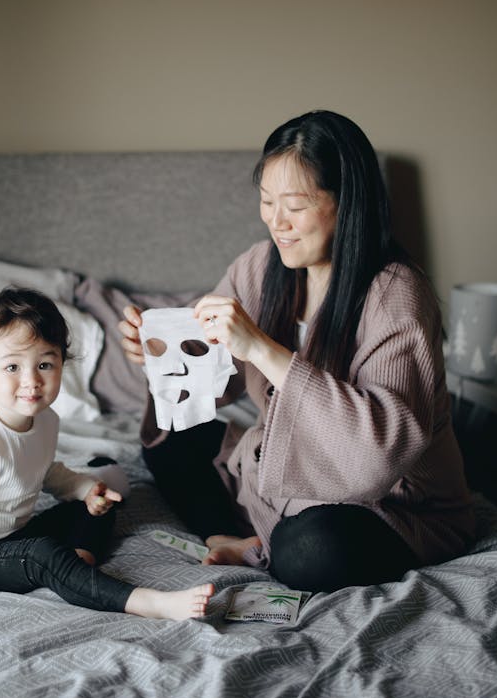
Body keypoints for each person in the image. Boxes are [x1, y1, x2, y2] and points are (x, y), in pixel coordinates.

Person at [120, 110, 475, 593]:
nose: (276, 222)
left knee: (312, 550)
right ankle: (245, 536)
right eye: (267, 201)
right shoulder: (260, 266)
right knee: (171, 436)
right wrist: (164, 355)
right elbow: (212, 383)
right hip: (283, 476)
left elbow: (378, 457)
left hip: (387, 504)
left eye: (295, 205)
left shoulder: (395, 294)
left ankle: (260, 544)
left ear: (346, 203)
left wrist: (263, 349)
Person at [0, 286, 213, 620]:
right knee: (43, 554)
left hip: (18, 533)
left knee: (101, 502)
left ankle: (78, 560)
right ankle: (148, 602)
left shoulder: (45, 420)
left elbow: (45, 470)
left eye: (44, 364)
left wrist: (86, 490)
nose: (31, 381)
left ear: (61, 364)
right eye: (12, 368)